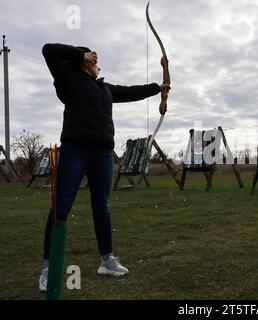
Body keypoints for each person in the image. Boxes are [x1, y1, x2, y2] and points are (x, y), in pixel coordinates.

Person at [38, 43, 170, 291]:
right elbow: (48, 50)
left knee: (102, 206)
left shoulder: (105, 88)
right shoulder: (69, 80)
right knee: (61, 206)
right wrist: (80, 54)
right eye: (95, 61)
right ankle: (49, 267)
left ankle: (107, 261)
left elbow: (130, 92)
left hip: (103, 153)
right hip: (75, 149)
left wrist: (157, 88)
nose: (99, 66)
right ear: (86, 62)